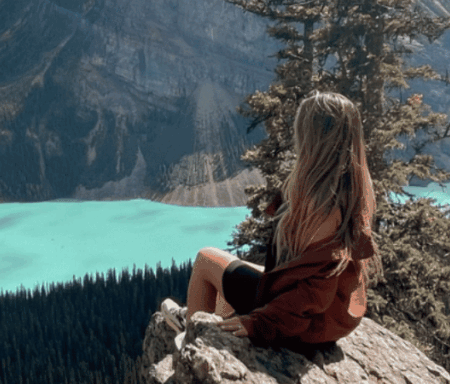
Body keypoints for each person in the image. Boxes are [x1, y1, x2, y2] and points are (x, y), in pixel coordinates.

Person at [161, 91, 380, 359]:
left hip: (310, 321)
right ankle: (212, 324)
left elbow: (315, 292)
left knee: (206, 259)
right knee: (232, 272)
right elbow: (311, 274)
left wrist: (258, 323)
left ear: (312, 137)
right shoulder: (352, 186)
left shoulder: (321, 205)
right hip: (333, 315)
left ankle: (194, 339)